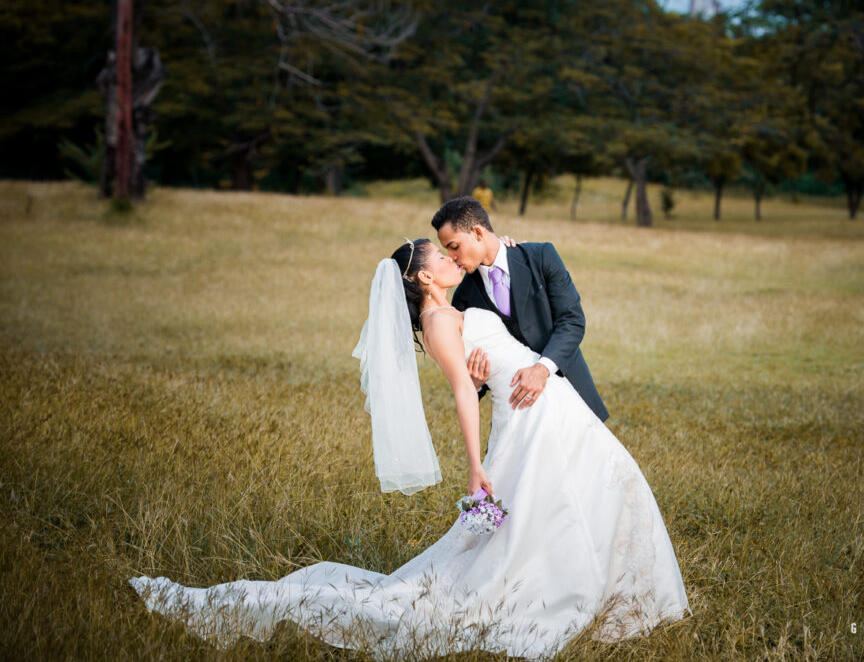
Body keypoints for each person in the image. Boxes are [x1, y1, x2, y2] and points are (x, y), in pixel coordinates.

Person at [129, 239, 689, 659]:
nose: (452, 258)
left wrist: (485, 361)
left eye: (453, 249)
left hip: (550, 407)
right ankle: (568, 593)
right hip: (526, 420)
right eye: (442, 255)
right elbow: (461, 398)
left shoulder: (455, 306)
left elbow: (495, 347)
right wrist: (475, 466)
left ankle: (618, 592)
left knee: (601, 488)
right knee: (549, 515)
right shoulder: (440, 317)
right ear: (423, 273)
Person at [433, 196, 609, 422]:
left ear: (478, 233)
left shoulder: (540, 256)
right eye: (447, 250)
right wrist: (475, 385)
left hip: (571, 392)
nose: (452, 258)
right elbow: (473, 371)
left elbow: (572, 321)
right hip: (519, 412)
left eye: (454, 247)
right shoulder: (464, 298)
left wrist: (541, 369)